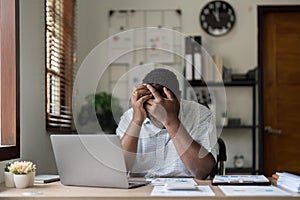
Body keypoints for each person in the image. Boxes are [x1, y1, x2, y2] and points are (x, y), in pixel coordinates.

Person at [116, 68, 217, 179]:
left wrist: (170, 121)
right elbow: (119, 169)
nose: (155, 111)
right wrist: (136, 121)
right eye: (150, 103)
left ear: (178, 97)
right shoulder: (130, 116)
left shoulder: (201, 115)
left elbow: (202, 171)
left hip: (186, 191)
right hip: (140, 192)